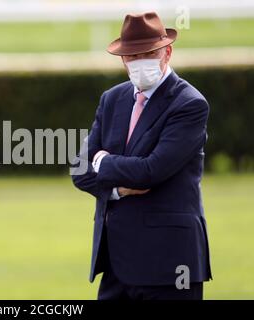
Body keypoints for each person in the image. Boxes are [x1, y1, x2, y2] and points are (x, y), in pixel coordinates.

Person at [72, 12, 212, 300]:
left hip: (170, 265)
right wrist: (119, 190)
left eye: (148, 53)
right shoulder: (112, 99)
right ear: (122, 59)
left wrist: (103, 162)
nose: (139, 62)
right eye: (132, 56)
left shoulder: (189, 104)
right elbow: (80, 171)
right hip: (116, 263)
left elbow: (151, 171)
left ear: (167, 52)